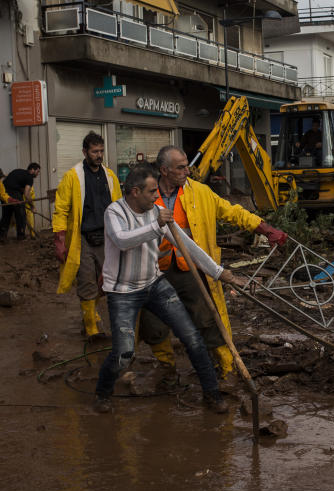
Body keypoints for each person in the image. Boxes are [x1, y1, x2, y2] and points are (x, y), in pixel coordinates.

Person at [93, 164, 244, 414]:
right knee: (123, 352)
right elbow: (122, 241)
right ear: (134, 192)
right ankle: (102, 393)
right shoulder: (115, 212)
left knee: (193, 338)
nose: (156, 196)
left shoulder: (158, 211)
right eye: (152, 192)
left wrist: (219, 272)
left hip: (154, 284)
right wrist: (155, 226)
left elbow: (188, 246)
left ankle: (212, 394)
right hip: (122, 292)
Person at [137, 145, 288, 380]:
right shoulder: (146, 194)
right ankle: (166, 367)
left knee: (208, 319)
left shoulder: (200, 193)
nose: (187, 171)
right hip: (154, 272)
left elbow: (232, 211)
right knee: (152, 322)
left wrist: (264, 228)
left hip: (191, 269)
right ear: (164, 170)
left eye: (187, 165)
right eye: (181, 167)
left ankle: (226, 367)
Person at [53, 132, 123, 342]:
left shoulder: (110, 177)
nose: (99, 155)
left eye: (101, 151)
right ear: (85, 152)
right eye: (95, 151)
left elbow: (119, 206)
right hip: (82, 239)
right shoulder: (72, 177)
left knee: (109, 281)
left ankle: (95, 313)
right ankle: (91, 327)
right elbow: (61, 209)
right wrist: (60, 240)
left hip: (107, 237)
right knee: (86, 282)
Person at [0, 163, 40, 243]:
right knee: (21, 215)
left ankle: (1, 237)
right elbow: (26, 194)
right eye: (37, 171)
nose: (37, 174)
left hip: (4, 194)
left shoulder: (17, 171)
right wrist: (32, 207)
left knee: (6, 216)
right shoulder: (29, 178)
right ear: (32, 170)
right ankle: (21, 236)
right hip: (14, 195)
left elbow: (7, 180)